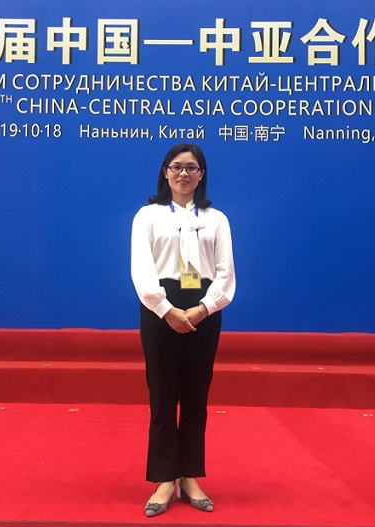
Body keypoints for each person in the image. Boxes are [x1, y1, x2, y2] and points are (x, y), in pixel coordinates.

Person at [130, 143, 236, 517]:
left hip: (204, 309)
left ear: (201, 175)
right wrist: (167, 309)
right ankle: (164, 478)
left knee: (195, 396)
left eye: (192, 168)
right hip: (160, 308)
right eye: (176, 167)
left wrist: (204, 308)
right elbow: (142, 270)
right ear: (165, 172)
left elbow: (225, 273)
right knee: (162, 396)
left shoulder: (217, 219)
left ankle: (189, 476)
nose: (184, 174)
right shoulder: (147, 216)